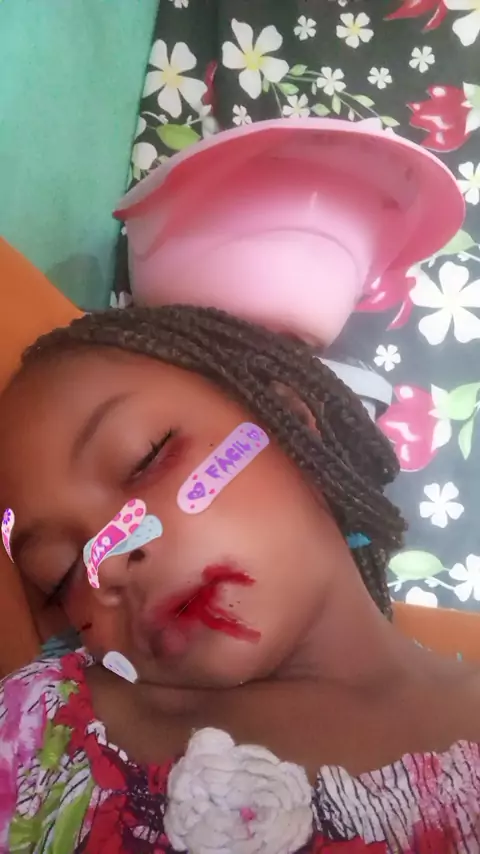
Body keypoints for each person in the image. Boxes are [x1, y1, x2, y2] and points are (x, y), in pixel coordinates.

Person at [0, 304, 479, 854]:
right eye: (61, 574)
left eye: (143, 458)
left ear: (288, 420)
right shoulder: (37, 731)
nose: (105, 565)